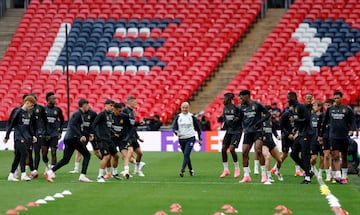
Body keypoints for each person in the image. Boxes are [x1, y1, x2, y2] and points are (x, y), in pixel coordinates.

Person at [44, 99, 93, 182]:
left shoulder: (79, 114)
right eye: (87, 105)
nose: (88, 107)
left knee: (66, 159)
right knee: (87, 155)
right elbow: (73, 125)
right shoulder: (78, 114)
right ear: (83, 105)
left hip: (68, 138)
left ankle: (50, 172)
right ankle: (82, 176)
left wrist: (88, 135)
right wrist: (80, 136)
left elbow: (77, 127)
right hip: (74, 138)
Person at [318, 91, 356, 184]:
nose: (336, 100)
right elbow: (324, 123)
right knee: (335, 156)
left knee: (344, 156)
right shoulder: (330, 109)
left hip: (344, 136)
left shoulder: (347, 109)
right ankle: (339, 176)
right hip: (333, 136)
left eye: (337, 98)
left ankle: (344, 176)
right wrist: (320, 135)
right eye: (334, 98)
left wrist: (353, 130)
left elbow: (352, 121)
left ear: (342, 98)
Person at [238, 90, 270, 183]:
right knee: (244, 152)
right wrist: (243, 127)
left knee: (258, 150)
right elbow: (240, 119)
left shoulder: (257, 105)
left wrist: (259, 123)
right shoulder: (242, 107)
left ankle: (263, 175)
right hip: (248, 132)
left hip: (258, 131)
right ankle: (246, 176)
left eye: (242, 97)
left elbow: (267, 114)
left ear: (247, 96)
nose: (240, 99)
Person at [4, 95, 37, 181]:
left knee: (18, 156)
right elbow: (11, 124)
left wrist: (33, 135)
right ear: (27, 102)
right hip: (19, 136)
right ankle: (23, 174)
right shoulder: (18, 112)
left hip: (26, 137)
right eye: (31, 105)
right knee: (25, 153)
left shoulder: (29, 113)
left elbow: (29, 126)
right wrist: (7, 136)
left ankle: (11, 175)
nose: (32, 107)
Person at [288, 91, 314, 184]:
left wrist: (296, 120)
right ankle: (308, 172)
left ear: (294, 98)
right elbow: (299, 122)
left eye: (289, 98)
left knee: (305, 155)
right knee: (293, 154)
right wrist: (295, 128)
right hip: (300, 134)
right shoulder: (294, 108)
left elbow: (307, 120)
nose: (288, 100)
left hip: (306, 134)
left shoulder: (302, 107)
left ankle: (307, 178)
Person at [172, 102, 202, 177]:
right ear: (181, 108)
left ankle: (182, 170)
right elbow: (174, 128)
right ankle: (191, 170)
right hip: (181, 139)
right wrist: (176, 133)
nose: (185, 109)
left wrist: (200, 139)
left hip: (190, 138)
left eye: (186, 107)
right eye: (183, 107)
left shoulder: (191, 117)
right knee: (186, 156)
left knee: (186, 154)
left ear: (188, 108)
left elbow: (198, 128)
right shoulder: (178, 117)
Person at [93, 99, 118, 182]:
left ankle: (114, 174)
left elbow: (108, 127)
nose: (112, 107)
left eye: (113, 106)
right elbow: (94, 124)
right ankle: (100, 176)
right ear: (106, 105)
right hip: (102, 139)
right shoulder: (101, 114)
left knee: (116, 156)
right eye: (111, 105)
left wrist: (114, 133)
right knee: (106, 157)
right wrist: (96, 136)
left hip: (109, 138)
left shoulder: (110, 115)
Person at [69, 107, 99, 174]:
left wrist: (92, 133)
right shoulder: (79, 114)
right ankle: (76, 169)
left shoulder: (93, 114)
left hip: (92, 135)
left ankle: (105, 165)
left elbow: (95, 124)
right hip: (83, 135)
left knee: (97, 152)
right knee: (79, 151)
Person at [219, 93, 242, 178]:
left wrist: (237, 120)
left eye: (224, 99)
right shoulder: (225, 108)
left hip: (236, 131)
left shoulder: (236, 108)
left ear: (228, 99)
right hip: (229, 131)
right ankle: (226, 170)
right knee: (223, 149)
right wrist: (222, 127)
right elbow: (225, 120)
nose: (223, 100)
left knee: (232, 149)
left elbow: (241, 118)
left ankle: (237, 169)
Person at [123, 96, 146, 177]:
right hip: (127, 136)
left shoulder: (132, 112)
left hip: (133, 136)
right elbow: (125, 124)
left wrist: (138, 136)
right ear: (129, 102)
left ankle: (137, 169)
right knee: (129, 152)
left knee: (140, 153)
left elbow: (132, 125)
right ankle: (126, 170)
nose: (135, 103)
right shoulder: (125, 111)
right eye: (134, 102)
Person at [42, 92, 64, 173]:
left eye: (55, 98)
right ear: (48, 100)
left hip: (54, 134)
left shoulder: (58, 110)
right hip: (45, 134)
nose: (55, 100)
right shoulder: (43, 110)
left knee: (54, 152)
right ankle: (47, 166)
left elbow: (62, 121)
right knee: (44, 154)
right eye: (53, 98)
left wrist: (60, 131)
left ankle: (51, 171)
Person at [262, 106, 283, 184]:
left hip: (271, 142)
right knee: (268, 157)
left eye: (271, 111)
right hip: (263, 144)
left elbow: (273, 130)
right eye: (269, 112)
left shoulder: (271, 121)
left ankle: (277, 171)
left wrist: (277, 136)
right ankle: (269, 176)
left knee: (279, 160)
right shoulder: (260, 121)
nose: (271, 113)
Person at [111, 102, 132, 180]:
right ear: (115, 110)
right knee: (112, 156)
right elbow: (107, 127)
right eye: (119, 111)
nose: (121, 112)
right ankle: (113, 172)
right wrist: (113, 133)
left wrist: (127, 137)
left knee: (124, 154)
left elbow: (130, 128)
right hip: (112, 139)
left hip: (122, 139)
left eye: (121, 111)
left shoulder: (125, 117)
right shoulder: (110, 116)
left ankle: (126, 171)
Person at [30, 93, 47, 179]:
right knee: (29, 153)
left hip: (38, 133)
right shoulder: (26, 109)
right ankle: (30, 170)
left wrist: (43, 132)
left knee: (39, 152)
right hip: (29, 134)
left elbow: (44, 121)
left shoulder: (40, 108)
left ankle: (38, 169)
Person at [318, 98, 335, 181]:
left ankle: (334, 172)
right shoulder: (323, 115)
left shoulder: (335, 115)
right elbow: (321, 127)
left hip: (334, 136)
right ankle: (328, 174)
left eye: (329, 105)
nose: (327, 107)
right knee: (326, 155)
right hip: (325, 137)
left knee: (334, 155)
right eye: (326, 105)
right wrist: (320, 136)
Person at [310, 100, 324, 178]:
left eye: (315, 105)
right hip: (313, 140)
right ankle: (312, 168)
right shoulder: (312, 116)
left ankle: (320, 174)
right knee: (313, 158)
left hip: (322, 140)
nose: (313, 107)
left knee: (322, 158)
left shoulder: (324, 116)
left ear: (319, 107)